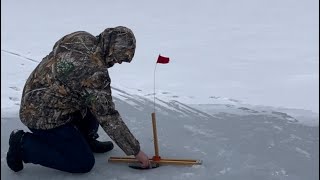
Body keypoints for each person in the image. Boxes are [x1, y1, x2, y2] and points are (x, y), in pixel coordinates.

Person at [6, 26, 151, 173]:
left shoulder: (82, 37)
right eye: (120, 57)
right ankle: (23, 145)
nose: (118, 62)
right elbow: (107, 116)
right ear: (113, 49)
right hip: (42, 116)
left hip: (37, 96)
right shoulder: (94, 72)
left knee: (92, 100)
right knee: (82, 162)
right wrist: (136, 151)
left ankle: (85, 140)